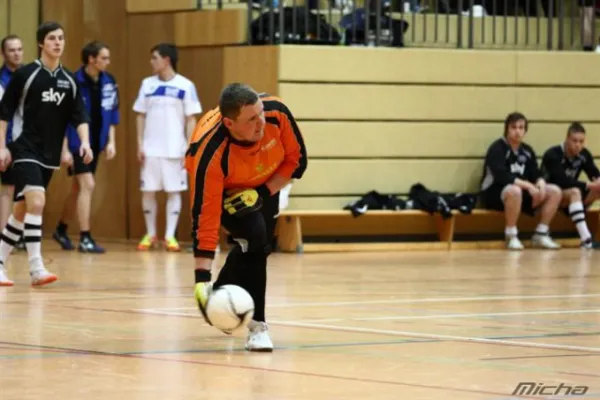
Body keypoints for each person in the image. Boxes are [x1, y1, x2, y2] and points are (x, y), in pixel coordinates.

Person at [186, 83, 307, 352]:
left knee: (258, 246)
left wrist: (262, 193)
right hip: (227, 188)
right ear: (230, 123)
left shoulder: (277, 113)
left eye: (260, 113)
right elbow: (205, 218)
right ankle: (258, 327)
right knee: (254, 235)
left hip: (266, 180)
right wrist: (201, 280)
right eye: (251, 119)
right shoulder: (210, 154)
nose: (261, 122)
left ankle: (222, 299)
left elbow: (298, 161)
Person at [0, 21, 92, 287]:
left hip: (49, 155)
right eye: (52, 38)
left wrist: (85, 142)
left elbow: (79, 116)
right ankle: (36, 267)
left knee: (22, 210)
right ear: (41, 43)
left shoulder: (69, 80)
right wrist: (2, 147)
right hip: (24, 147)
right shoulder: (26, 75)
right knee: (37, 202)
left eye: (61, 38)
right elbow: (3, 114)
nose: (58, 42)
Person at [133, 43, 201, 252]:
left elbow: (191, 118)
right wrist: (140, 144)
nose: (151, 62)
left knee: (174, 192)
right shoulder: (147, 84)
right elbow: (140, 115)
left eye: (155, 58)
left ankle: (170, 236)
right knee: (148, 191)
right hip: (151, 149)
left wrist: (189, 147)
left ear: (166, 60)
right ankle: (151, 234)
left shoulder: (185, 86)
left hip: (175, 149)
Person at [52, 40, 119, 253]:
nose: (108, 62)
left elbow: (112, 112)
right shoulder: (72, 82)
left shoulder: (109, 81)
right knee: (88, 185)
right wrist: (64, 149)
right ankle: (85, 238)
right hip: (77, 143)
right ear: (92, 59)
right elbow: (63, 119)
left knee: (77, 188)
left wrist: (111, 141)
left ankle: (61, 229)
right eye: (104, 58)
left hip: (96, 142)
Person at [479, 112, 562, 250]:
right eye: (514, 127)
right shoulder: (497, 148)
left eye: (521, 128)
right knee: (514, 190)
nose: (517, 131)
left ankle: (541, 234)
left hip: (519, 194)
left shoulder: (527, 150)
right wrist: (529, 186)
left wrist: (540, 183)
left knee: (555, 191)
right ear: (507, 129)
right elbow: (502, 176)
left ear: (525, 131)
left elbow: (535, 172)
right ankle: (511, 235)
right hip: (493, 193)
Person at [541, 122, 600, 249]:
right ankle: (586, 239)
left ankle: (579, 215)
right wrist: (589, 184)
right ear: (567, 139)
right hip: (549, 195)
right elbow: (562, 181)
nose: (578, 145)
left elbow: (595, 174)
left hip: (569, 196)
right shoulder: (553, 154)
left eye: (581, 141)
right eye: (574, 141)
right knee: (575, 191)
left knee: (596, 189)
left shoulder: (584, 154)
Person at [0, 34, 25, 251]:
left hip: (27, 141)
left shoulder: (29, 76)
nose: (16, 54)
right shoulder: (1, 81)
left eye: (19, 49)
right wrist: (3, 147)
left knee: (25, 190)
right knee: (8, 189)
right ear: (3, 54)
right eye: (11, 50)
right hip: (7, 143)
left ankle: (18, 234)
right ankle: (4, 237)